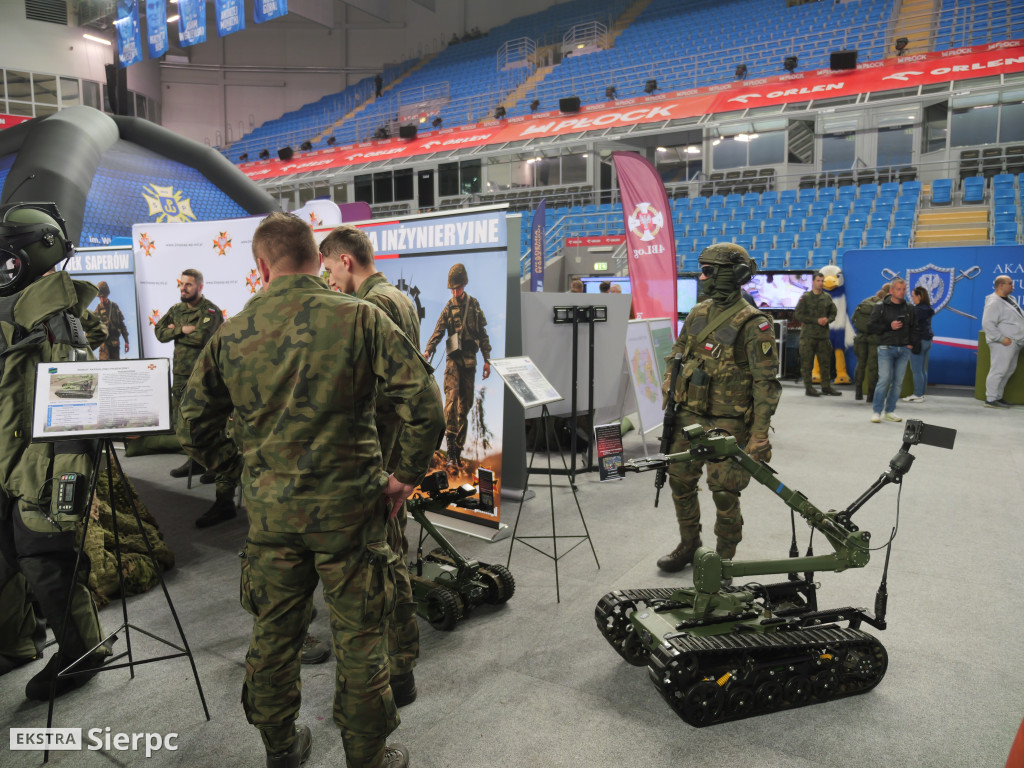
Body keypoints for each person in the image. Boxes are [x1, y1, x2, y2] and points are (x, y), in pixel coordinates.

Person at [178, 212, 443, 768]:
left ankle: (280, 748)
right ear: (312, 256)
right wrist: (403, 476)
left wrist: (245, 472)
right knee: (360, 638)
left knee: (274, 636)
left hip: (272, 518)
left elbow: (193, 427)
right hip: (352, 512)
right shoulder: (359, 319)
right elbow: (423, 404)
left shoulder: (230, 334)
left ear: (261, 267)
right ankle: (367, 757)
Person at [0, 202, 111, 699]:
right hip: (10, 455)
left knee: (45, 558)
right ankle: (20, 642)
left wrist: (66, 483)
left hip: (38, 462)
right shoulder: (20, 310)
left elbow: (76, 402)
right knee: (11, 556)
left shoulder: (54, 318)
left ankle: (83, 651)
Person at [320, 224, 423, 707]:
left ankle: (397, 668)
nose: (329, 279)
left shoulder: (371, 307)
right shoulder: (398, 297)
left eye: (328, 268)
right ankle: (401, 665)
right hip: (393, 438)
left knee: (386, 558)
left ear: (345, 260)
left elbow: (382, 385)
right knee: (392, 554)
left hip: (377, 446)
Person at [657, 243, 781, 574]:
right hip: (689, 414)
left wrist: (759, 435)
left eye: (709, 271)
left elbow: (765, 384)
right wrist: (671, 382)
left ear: (732, 274)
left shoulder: (755, 324)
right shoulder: (697, 313)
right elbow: (678, 353)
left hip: (729, 422)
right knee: (679, 480)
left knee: (724, 492)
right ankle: (689, 544)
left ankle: (723, 561)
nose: (703, 277)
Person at [154, 268, 238, 527]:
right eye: (182, 284)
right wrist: (183, 329)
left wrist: (176, 331)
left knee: (209, 426)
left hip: (204, 380)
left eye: (189, 285)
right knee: (182, 425)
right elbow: (159, 332)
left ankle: (217, 468)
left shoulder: (210, 311)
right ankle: (196, 462)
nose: (184, 289)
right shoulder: (176, 310)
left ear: (200, 286)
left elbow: (202, 336)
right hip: (180, 377)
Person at [423, 263, 491, 467]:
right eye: (452, 288)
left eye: (458, 287)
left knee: (465, 406)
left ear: (464, 285)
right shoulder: (448, 307)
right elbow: (438, 330)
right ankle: (451, 449)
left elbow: (483, 335)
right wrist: (428, 349)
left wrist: (487, 360)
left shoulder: (475, 306)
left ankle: (458, 451)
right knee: (451, 401)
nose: (455, 291)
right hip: (453, 360)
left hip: (470, 361)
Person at [867, 277, 918, 423]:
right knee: (883, 380)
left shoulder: (910, 308)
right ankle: (877, 411)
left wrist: (911, 344)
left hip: (904, 350)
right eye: (898, 289)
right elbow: (871, 327)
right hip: (885, 348)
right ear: (891, 291)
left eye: (903, 289)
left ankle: (890, 411)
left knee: (898, 383)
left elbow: (915, 328)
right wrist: (889, 326)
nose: (902, 292)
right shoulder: (880, 307)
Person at [794, 271, 841, 397]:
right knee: (807, 363)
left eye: (822, 281)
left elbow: (833, 312)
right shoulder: (806, 297)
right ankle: (809, 388)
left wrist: (828, 319)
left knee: (825, 363)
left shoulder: (827, 297)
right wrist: (816, 320)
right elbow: (798, 314)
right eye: (818, 281)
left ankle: (826, 386)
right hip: (808, 336)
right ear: (813, 282)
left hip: (823, 336)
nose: (820, 283)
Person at [981, 275, 1024, 408]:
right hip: (1003, 343)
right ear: (1001, 285)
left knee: (1008, 370)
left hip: (1015, 342)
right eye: (1010, 283)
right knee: (998, 370)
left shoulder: (1010, 299)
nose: (1013, 286)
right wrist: (1001, 338)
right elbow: (987, 324)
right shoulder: (994, 302)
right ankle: (991, 398)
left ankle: (998, 396)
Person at [851, 284, 889, 402]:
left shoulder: (865, 302)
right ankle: (871, 395)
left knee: (860, 364)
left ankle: (858, 392)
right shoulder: (884, 306)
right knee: (873, 367)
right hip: (875, 339)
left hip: (861, 337)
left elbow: (854, 319)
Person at [903, 285, 934, 403]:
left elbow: (912, 328)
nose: (912, 298)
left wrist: (910, 342)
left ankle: (918, 394)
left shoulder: (917, 311)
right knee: (921, 369)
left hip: (918, 341)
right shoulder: (927, 309)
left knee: (916, 370)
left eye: (913, 296)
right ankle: (922, 393)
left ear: (919, 296)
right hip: (927, 341)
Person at [93, 280, 129, 360]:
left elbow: (122, 325)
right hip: (104, 343)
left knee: (115, 367)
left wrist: (126, 341)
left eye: (104, 296)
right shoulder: (98, 309)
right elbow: (92, 327)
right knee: (104, 366)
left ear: (107, 295)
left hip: (115, 343)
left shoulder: (114, 307)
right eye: (100, 297)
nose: (102, 299)